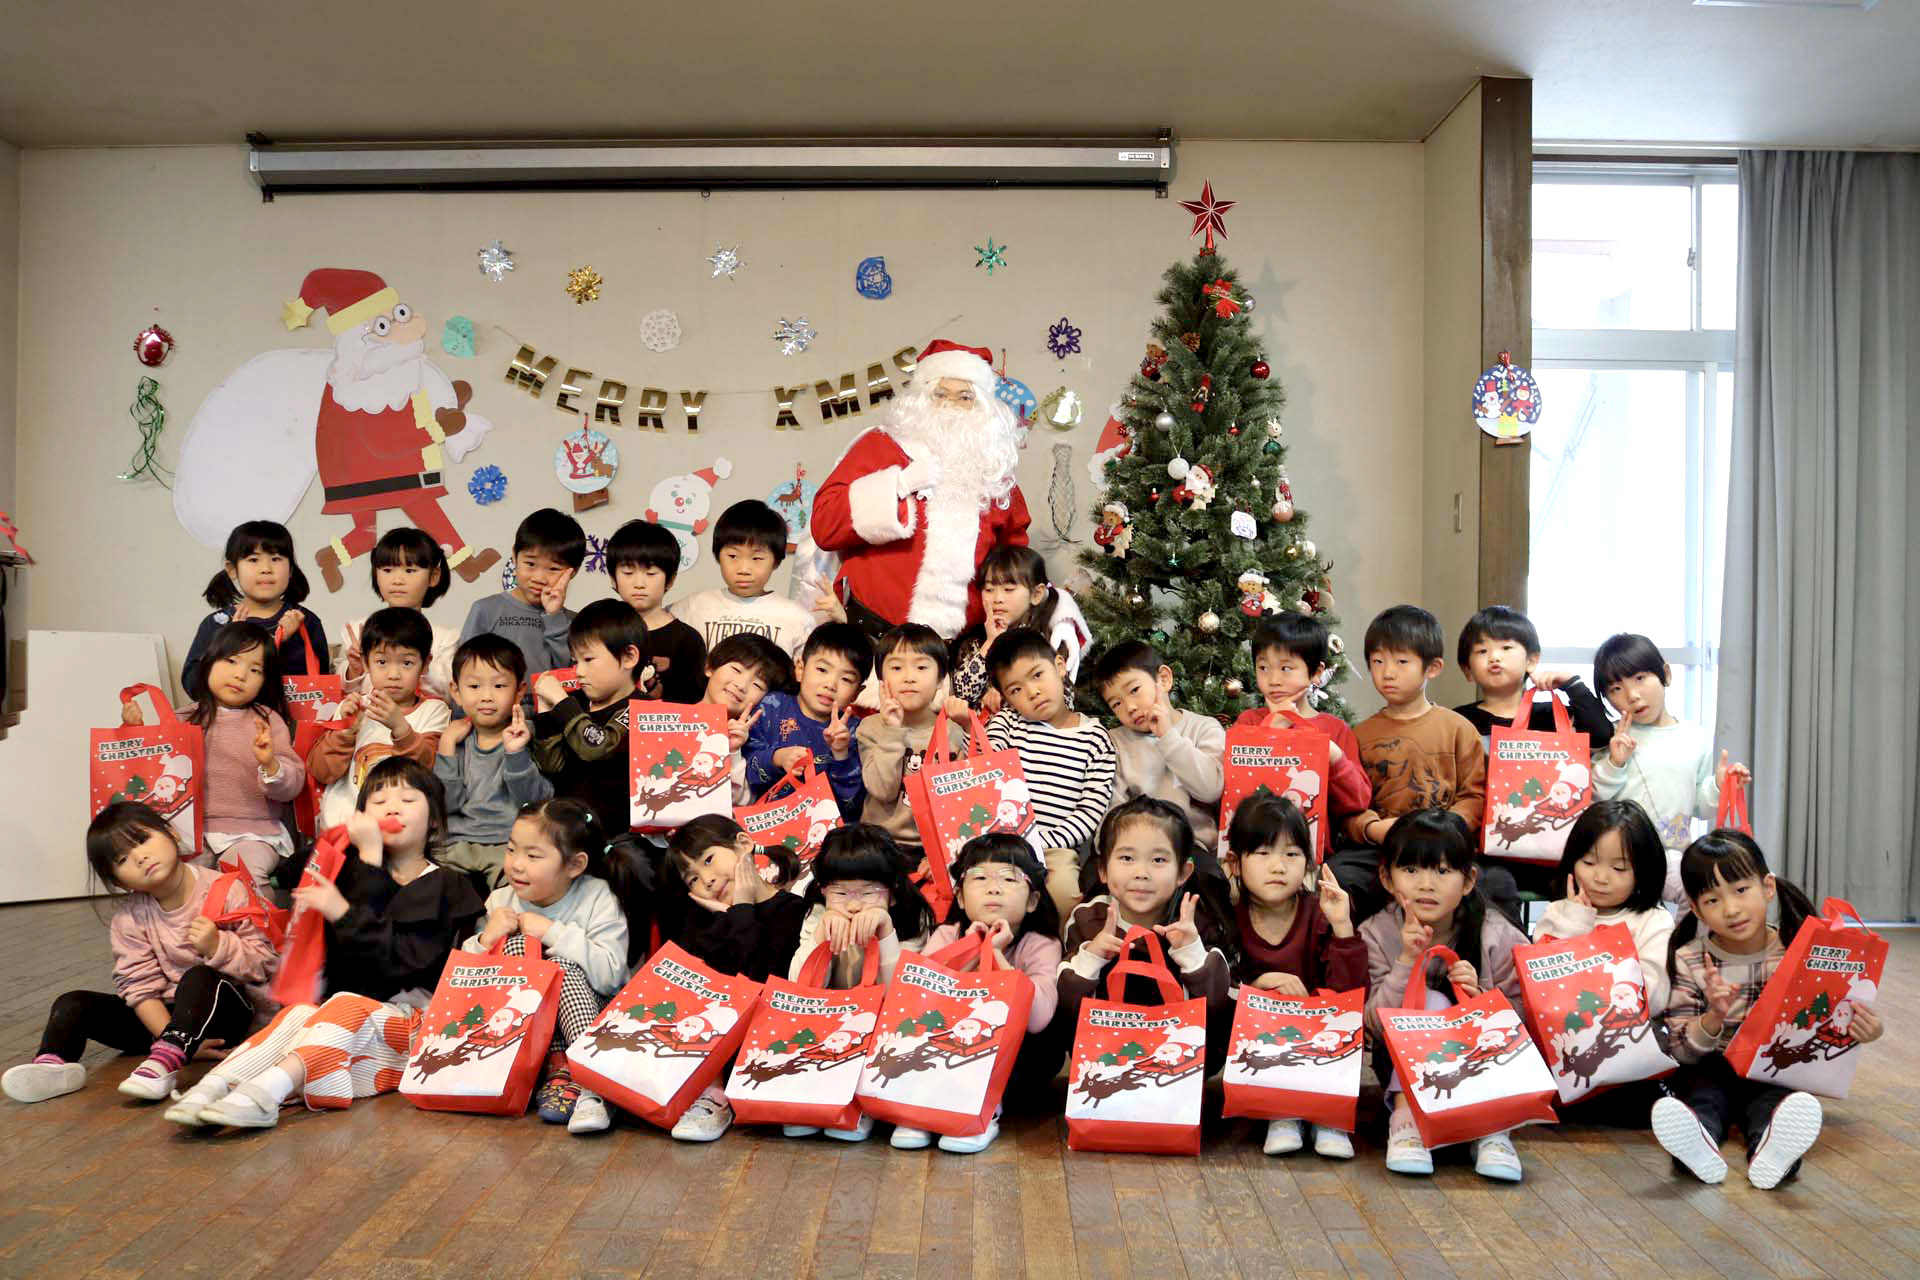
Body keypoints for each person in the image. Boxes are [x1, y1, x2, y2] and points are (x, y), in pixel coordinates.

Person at [164, 758, 485, 1128]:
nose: (392, 808)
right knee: (298, 1014)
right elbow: (342, 968)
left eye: (408, 800)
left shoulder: (449, 886)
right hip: (342, 1023)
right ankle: (212, 1088)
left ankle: (266, 1094)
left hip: (410, 1028)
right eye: (379, 801)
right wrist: (361, 860)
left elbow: (402, 965)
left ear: (435, 821)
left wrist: (345, 909)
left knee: (344, 1006)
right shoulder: (347, 871)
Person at [2, 804, 277, 1105]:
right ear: (118, 881)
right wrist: (171, 1037)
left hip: (226, 1016)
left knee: (197, 977)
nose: (140, 857)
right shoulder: (129, 919)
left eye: (142, 840)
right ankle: (53, 1065)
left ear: (171, 833)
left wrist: (217, 947)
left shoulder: (227, 889)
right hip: (164, 1023)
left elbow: (264, 965)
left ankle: (168, 1058)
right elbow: (139, 988)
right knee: (72, 1003)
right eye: (122, 859)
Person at [1653, 830, 1880, 1189]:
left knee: (1774, 1101)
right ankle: (1697, 1144)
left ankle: (1772, 1150)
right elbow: (1681, 1049)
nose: (1731, 909)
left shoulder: (1799, 952)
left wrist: (1868, 1029)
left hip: (1773, 1068)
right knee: (1702, 1095)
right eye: (1712, 899)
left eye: (1741, 890)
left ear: (1768, 887)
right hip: (1711, 1064)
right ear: (1695, 909)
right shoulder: (1690, 958)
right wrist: (1713, 1016)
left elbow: (1828, 1024)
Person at [810, 339, 1031, 638]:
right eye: (940, 394)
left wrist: (1051, 605)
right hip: (868, 638)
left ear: (983, 408)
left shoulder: (994, 470)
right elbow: (825, 526)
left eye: (965, 397)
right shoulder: (880, 446)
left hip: (958, 650)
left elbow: (1016, 566)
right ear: (920, 399)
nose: (951, 405)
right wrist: (898, 485)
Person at [1360, 809, 1530, 1181]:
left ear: (1468, 880)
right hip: (1404, 1070)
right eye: (1411, 870)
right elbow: (1372, 1024)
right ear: (1387, 878)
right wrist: (1406, 962)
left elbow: (1524, 1018)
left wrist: (1481, 998)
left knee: (1449, 1004)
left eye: (1442, 871)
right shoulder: (1375, 933)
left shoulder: (1497, 933)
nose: (1426, 884)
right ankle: (1407, 1123)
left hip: (1482, 1068)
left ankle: (1492, 1132)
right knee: (1431, 1002)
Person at [466, 798, 647, 1136]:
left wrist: (552, 932)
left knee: (560, 965)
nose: (516, 865)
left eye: (533, 856)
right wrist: (485, 939)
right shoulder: (500, 901)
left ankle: (593, 1080)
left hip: (590, 1025)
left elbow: (611, 977)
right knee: (517, 947)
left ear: (575, 865)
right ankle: (541, 1070)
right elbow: (467, 984)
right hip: (523, 1038)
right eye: (511, 850)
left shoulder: (597, 898)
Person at [1340, 606, 1510, 925]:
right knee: (1341, 877)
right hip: (1383, 847)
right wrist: (1373, 828)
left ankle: (1489, 955)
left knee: (1499, 884)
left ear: (1432, 668)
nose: (1387, 673)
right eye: (1377, 662)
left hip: (1446, 847)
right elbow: (1349, 804)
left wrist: (1444, 830)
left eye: (1401, 662)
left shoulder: (1458, 729)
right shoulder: (1359, 735)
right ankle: (1362, 952)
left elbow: (1474, 797)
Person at [1222, 792, 1366, 1158]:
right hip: (1259, 1050)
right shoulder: (1228, 917)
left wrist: (1342, 927)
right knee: (1270, 996)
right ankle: (1282, 1111)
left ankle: (1326, 1113)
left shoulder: (1321, 912)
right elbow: (1219, 989)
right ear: (1235, 863)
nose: (1278, 866)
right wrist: (1257, 987)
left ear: (1308, 863)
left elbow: (1351, 994)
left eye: (1291, 854)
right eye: (1263, 853)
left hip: (1322, 1044)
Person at [124, 622, 306, 893]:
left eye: (255, 670)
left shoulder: (268, 721)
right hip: (191, 834)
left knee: (246, 875)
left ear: (265, 681)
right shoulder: (181, 718)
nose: (240, 674)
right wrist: (134, 731)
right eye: (231, 661)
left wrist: (270, 764)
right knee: (181, 883)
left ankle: (258, 923)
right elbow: (153, 775)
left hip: (252, 833)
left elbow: (292, 787)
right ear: (208, 662)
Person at [1058, 799, 1236, 1070]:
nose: (1141, 873)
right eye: (1127, 858)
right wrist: (1092, 956)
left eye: (1158, 860)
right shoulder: (1088, 918)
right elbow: (1066, 1004)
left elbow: (1217, 1004)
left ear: (1183, 872)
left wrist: (1191, 952)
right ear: (1103, 869)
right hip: (1107, 1053)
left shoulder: (1193, 918)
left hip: (1180, 1056)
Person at [1532, 800, 1677, 1126]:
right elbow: (1543, 990)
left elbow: (1654, 999)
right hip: (1566, 1044)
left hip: (1627, 1047)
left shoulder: (1653, 921)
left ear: (1643, 871)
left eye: (1619, 869)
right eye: (1589, 862)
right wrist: (1575, 923)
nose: (1600, 878)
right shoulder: (1557, 913)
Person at [918, 834, 1063, 1153]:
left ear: (1032, 901)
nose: (993, 888)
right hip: (951, 1045)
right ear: (960, 897)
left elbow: (1037, 1019)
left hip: (1018, 1058)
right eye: (979, 877)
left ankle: (983, 1113)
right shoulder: (947, 934)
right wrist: (969, 950)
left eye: (1009, 878)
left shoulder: (1041, 943)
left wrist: (994, 954)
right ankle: (919, 1108)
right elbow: (922, 1000)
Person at [1591, 632, 1752, 902]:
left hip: (1671, 855)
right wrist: (1615, 762)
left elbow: (1700, 807)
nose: (1632, 695)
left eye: (1640, 678)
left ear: (1665, 674)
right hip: (1618, 855)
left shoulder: (1695, 737)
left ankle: (1680, 933)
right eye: (1616, 689)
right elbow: (1595, 799)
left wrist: (1719, 786)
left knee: (1704, 891)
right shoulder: (1611, 736)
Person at [985, 628, 1118, 921]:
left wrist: (1041, 842)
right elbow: (984, 769)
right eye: (1016, 690)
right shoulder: (1007, 723)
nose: (1032, 692)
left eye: (1037, 675)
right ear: (1006, 698)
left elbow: (1090, 811)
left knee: (1063, 892)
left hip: (1055, 849)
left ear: (1059, 666)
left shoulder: (1095, 738)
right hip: (1001, 841)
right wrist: (968, 726)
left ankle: (1056, 945)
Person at [1234, 615, 1372, 860]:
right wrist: (1271, 731)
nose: (1273, 680)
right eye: (1263, 667)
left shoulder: (1334, 729)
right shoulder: (1249, 722)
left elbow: (1358, 801)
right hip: (1254, 852)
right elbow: (1237, 787)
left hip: (1312, 855)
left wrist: (1334, 756)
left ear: (1316, 672)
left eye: (1286, 668)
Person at [308, 606, 448, 832]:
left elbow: (428, 771)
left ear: (425, 663)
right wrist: (344, 733)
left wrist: (400, 728)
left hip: (401, 830)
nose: (393, 675)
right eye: (382, 662)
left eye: (407, 663)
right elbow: (322, 772)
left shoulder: (434, 710)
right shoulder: (352, 708)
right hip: (344, 827)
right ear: (366, 663)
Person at [434, 635, 554, 889]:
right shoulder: (454, 738)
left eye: (499, 686)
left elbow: (532, 802)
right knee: (431, 887)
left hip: (508, 844)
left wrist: (515, 753)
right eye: (474, 686)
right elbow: (447, 804)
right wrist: (446, 747)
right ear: (455, 691)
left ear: (519, 691)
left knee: (519, 892)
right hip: (456, 843)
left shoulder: (526, 735)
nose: (486, 696)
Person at [1092, 639, 1225, 851]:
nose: (1130, 707)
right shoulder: (1114, 742)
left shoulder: (1204, 728)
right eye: (1116, 704)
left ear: (1163, 679)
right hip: (1134, 846)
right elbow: (1110, 809)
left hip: (1192, 846)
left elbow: (1210, 790)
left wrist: (1168, 736)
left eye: (1134, 690)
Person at [529, 600, 646, 834]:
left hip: (618, 838)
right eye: (575, 662)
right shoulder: (575, 703)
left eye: (589, 660)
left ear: (629, 657)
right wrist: (545, 712)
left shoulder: (642, 709)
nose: (579, 672)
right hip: (567, 834)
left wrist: (562, 702)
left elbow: (597, 746)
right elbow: (551, 765)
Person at [182, 520, 329, 699]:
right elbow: (193, 684)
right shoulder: (217, 624)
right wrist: (231, 645)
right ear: (232, 570)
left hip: (290, 717)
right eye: (253, 560)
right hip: (230, 717)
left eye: (276, 559)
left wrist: (287, 644)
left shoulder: (305, 621)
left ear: (290, 569)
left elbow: (320, 684)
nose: (266, 569)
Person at [743, 623, 872, 820]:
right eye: (822, 669)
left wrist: (841, 754)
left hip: (825, 829)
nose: (830, 684)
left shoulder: (856, 731)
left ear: (857, 693)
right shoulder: (771, 706)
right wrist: (777, 758)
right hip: (765, 822)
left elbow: (852, 804)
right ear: (800, 669)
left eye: (846, 679)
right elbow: (743, 769)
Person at [857, 624, 967, 854]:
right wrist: (892, 730)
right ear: (881, 679)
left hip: (935, 846)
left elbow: (961, 803)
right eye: (896, 668)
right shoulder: (870, 728)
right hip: (876, 843)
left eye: (921, 667)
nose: (909, 678)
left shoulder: (954, 732)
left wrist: (968, 727)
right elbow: (882, 791)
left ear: (940, 680)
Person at [949, 546, 1092, 715]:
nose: (997, 599)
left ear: (1036, 594)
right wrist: (990, 642)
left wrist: (1010, 696)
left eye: (1008, 589)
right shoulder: (975, 643)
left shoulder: (1048, 641)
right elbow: (962, 695)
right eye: (989, 590)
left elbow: (1065, 701)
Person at [1451, 605, 1613, 753]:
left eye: (1506, 647)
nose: (1494, 657)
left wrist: (1572, 684)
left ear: (1531, 661)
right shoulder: (1457, 720)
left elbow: (1601, 736)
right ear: (1467, 670)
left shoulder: (1553, 715)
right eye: (1482, 651)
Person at [457, 507, 586, 689]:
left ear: (573, 572)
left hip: (553, 707)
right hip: (493, 707)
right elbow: (464, 672)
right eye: (530, 564)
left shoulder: (576, 622)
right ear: (514, 556)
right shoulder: (485, 610)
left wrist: (554, 617)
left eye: (553, 569)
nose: (539, 578)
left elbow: (570, 676)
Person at [671, 500, 815, 657]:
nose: (744, 569)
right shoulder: (691, 608)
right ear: (718, 556)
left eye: (757, 558)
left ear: (776, 561)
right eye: (733, 556)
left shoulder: (797, 619)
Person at [340, 527, 459, 702]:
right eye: (387, 570)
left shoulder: (445, 639)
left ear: (434, 576)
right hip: (369, 718)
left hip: (425, 719)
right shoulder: (357, 630)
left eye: (409, 571)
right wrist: (354, 669)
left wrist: (419, 666)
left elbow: (451, 693)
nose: (397, 580)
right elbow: (341, 695)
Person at [606, 518, 707, 703]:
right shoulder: (600, 630)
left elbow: (694, 705)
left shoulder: (688, 641)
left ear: (670, 580)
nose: (639, 583)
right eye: (628, 573)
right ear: (613, 578)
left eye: (651, 573)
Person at [699, 633, 795, 805]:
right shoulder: (665, 717)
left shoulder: (751, 743)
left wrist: (733, 751)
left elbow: (741, 802)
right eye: (736, 670)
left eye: (757, 685)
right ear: (709, 667)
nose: (741, 685)